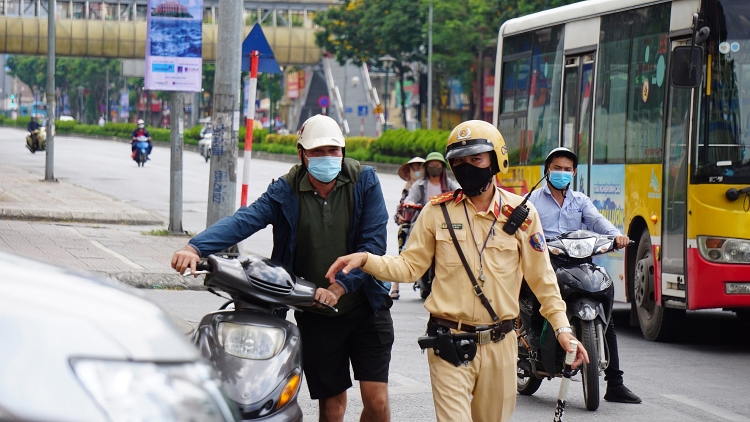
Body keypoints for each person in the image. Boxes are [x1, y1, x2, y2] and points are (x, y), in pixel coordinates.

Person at [326, 120, 588, 422]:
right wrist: (365, 260)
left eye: (476, 159)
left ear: (496, 160)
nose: (467, 167)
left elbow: (543, 281)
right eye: (459, 162)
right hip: (448, 342)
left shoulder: (522, 215)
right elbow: (409, 266)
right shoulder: (436, 212)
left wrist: (563, 330)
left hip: (501, 345)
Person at [171, 114, 393, 422]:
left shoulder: (364, 181)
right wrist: (195, 248)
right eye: (317, 151)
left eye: (333, 150)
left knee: (377, 399)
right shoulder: (286, 189)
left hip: (366, 305)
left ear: (343, 151)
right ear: (302, 154)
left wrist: (340, 287)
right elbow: (245, 220)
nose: (327, 157)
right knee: (332, 405)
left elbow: (373, 245)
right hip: (317, 310)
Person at [527, 146, 641, 404]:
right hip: (546, 262)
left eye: (567, 169)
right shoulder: (533, 199)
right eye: (557, 168)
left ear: (575, 173)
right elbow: (520, 223)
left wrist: (617, 236)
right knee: (533, 300)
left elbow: (599, 222)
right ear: (547, 171)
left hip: (579, 262)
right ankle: (530, 340)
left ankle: (615, 383)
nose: (562, 173)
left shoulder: (580, 201)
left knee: (605, 311)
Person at [389, 156, 426, 299]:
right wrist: (400, 217)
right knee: (403, 242)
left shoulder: (432, 185)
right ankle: (396, 285)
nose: (417, 171)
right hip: (411, 224)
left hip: (431, 224)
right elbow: (400, 209)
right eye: (414, 168)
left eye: (420, 167)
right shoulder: (407, 189)